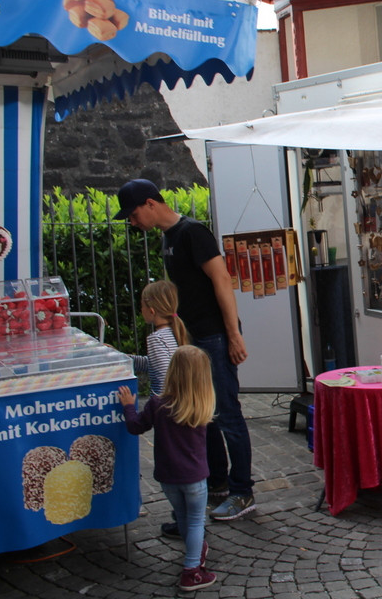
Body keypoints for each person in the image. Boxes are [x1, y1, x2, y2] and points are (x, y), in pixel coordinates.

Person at [114, 178, 255, 523]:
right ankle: (218, 482)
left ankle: (242, 493)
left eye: (132, 215)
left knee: (227, 414)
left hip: (213, 337)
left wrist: (233, 334)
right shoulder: (169, 238)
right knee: (204, 415)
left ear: (150, 204)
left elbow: (222, 279)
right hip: (195, 339)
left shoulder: (192, 233)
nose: (132, 223)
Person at [118, 346, 217, 592]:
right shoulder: (203, 404)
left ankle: (194, 552)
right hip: (195, 478)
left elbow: (134, 427)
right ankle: (192, 570)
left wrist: (129, 405)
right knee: (195, 521)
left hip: (168, 477)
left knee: (183, 518)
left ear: (172, 372)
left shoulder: (157, 404)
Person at [129, 280, 188, 396]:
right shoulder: (175, 332)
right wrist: (123, 358)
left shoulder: (156, 339)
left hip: (163, 407)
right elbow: (152, 363)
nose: (141, 310)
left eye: (142, 306)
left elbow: (163, 378)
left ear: (152, 311)